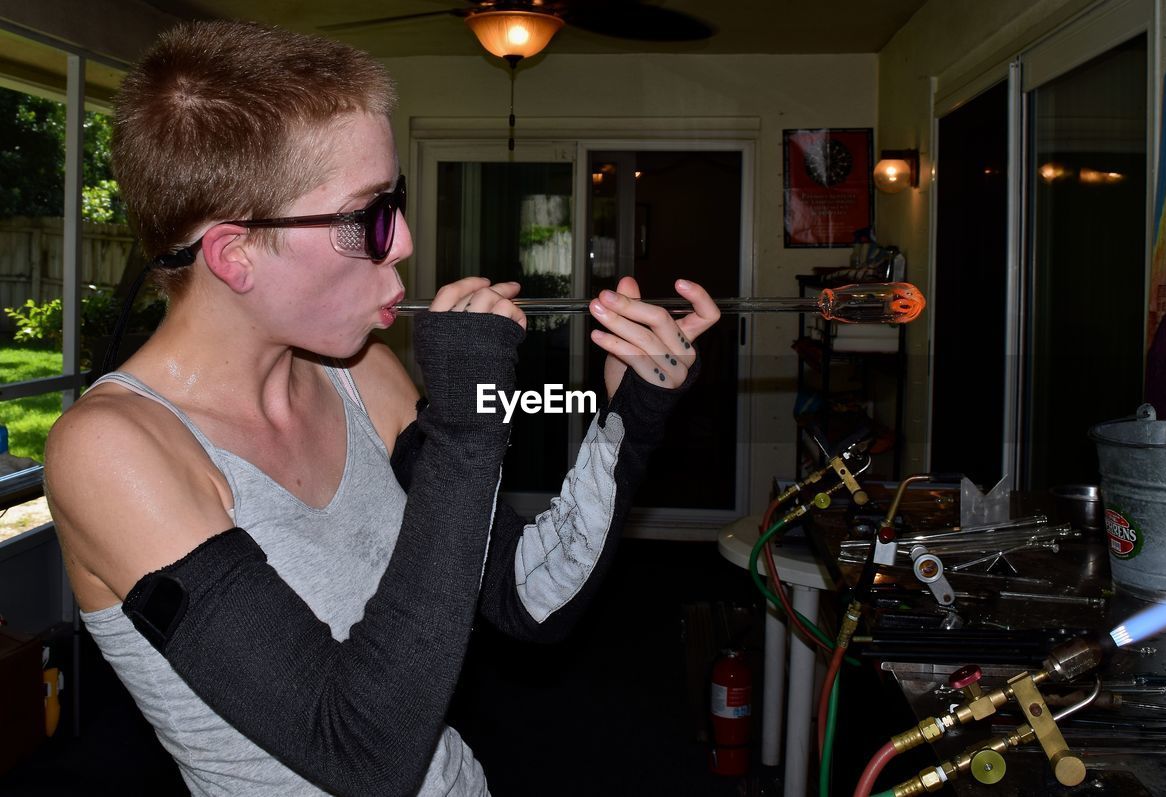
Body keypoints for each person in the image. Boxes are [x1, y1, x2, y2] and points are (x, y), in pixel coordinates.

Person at [44, 20, 718, 797]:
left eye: (392, 202)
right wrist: (467, 426)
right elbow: (364, 755)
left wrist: (632, 412)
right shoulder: (113, 450)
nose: (399, 241)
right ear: (235, 255)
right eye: (366, 216)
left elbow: (524, 598)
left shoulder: (362, 372)